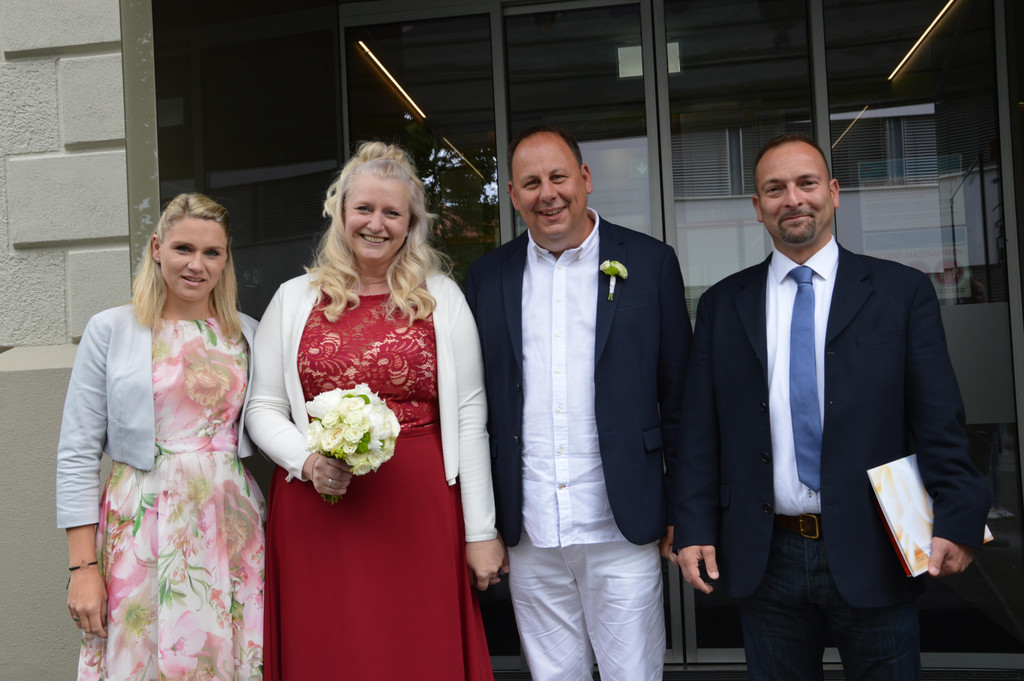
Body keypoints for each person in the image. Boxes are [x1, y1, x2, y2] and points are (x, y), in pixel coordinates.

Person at [674, 133, 991, 680]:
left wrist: (959, 517)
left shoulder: (900, 291)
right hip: (765, 553)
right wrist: (693, 526)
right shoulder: (723, 303)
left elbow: (938, 418)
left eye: (807, 183)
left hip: (874, 545)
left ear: (835, 192)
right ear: (757, 206)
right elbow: (701, 430)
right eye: (775, 188)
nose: (793, 199)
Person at [245, 141, 505, 681]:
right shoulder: (293, 298)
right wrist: (308, 461)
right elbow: (263, 407)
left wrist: (480, 531)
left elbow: (469, 416)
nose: (376, 224)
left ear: (411, 224)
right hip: (320, 504)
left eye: (392, 212)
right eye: (364, 208)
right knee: (329, 650)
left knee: (416, 648)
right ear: (340, 213)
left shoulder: (441, 297)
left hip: (420, 505)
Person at [464, 125, 691, 681]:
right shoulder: (487, 277)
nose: (548, 194)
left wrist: (684, 511)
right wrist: (482, 524)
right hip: (531, 526)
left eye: (559, 177)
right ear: (512, 195)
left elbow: (679, 400)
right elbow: (475, 405)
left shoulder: (651, 262)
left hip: (621, 521)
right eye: (531, 183)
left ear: (585, 179)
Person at [56, 193, 264, 680]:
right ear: (156, 248)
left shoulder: (249, 333)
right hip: (140, 520)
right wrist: (82, 569)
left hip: (229, 524)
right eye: (183, 248)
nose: (196, 265)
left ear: (226, 259)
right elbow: (77, 452)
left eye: (212, 253)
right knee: (141, 656)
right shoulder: (112, 329)